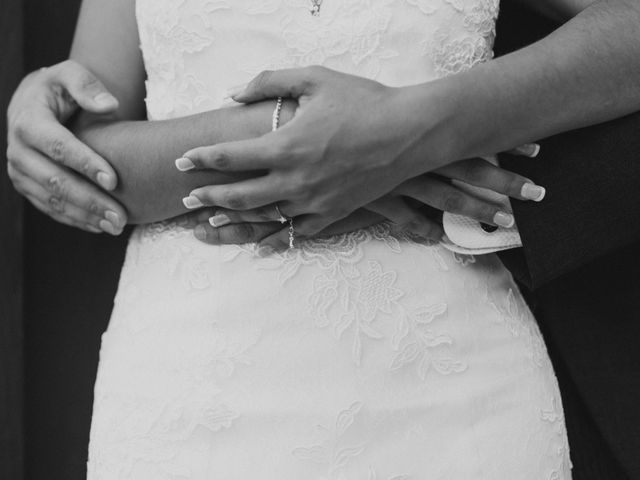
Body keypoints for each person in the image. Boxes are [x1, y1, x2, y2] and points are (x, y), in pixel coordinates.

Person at [5, 0, 640, 478]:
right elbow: (90, 167)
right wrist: (316, 137)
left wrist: (411, 130)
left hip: (452, 375)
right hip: (194, 384)